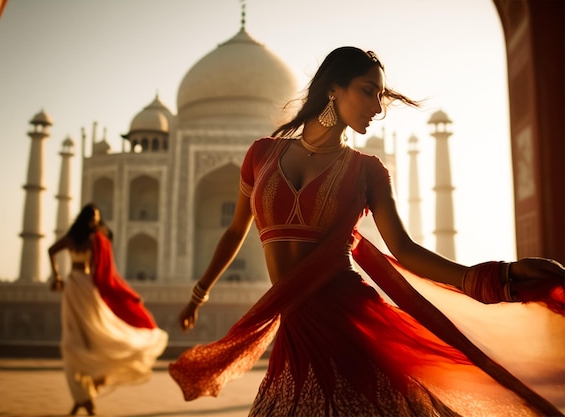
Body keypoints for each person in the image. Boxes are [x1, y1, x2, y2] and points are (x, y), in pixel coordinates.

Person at [168, 47, 565, 416]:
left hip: (349, 319)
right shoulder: (261, 155)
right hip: (296, 325)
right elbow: (236, 229)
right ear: (332, 90)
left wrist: (501, 277)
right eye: (368, 91)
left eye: (381, 95)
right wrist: (199, 294)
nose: (378, 107)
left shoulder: (367, 170)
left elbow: (406, 251)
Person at [49, 203, 168, 416]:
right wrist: (56, 276)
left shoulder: (97, 241)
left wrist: (125, 295)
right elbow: (51, 251)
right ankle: (84, 395)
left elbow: (106, 274)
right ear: (85, 218)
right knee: (72, 342)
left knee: (95, 338)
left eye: (97, 217)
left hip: (87, 288)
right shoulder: (73, 239)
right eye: (92, 217)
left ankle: (85, 394)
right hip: (74, 288)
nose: (94, 220)